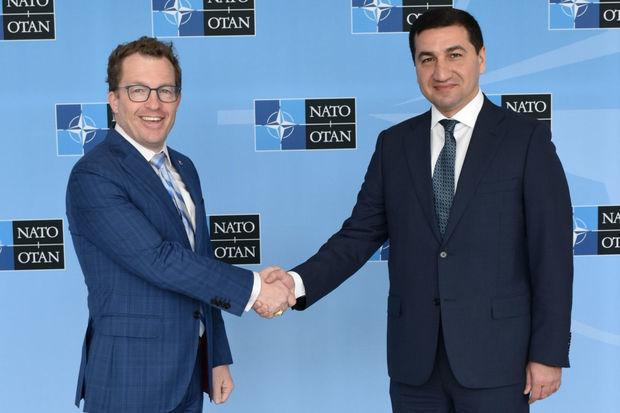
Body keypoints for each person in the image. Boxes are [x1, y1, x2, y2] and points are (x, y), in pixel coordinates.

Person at [258, 8, 573, 413]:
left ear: (481, 58)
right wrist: (295, 283)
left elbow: (551, 255)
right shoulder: (394, 144)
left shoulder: (526, 140)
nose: (441, 71)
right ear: (416, 67)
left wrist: (547, 352)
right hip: (415, 365)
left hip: (498, 360)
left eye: (454, 54)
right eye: (427, 59)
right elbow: (358, 236)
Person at [66, 36, 294, 413]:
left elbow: (201, 262)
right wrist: (255, 289)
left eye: (165, 91)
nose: (154, 103)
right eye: (138, 90)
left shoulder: (184, 167)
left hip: (188, 370)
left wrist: (216, 356)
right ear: (114, 100)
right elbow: (159, 260)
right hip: (128, 378)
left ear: (178, 99)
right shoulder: (94, 174)